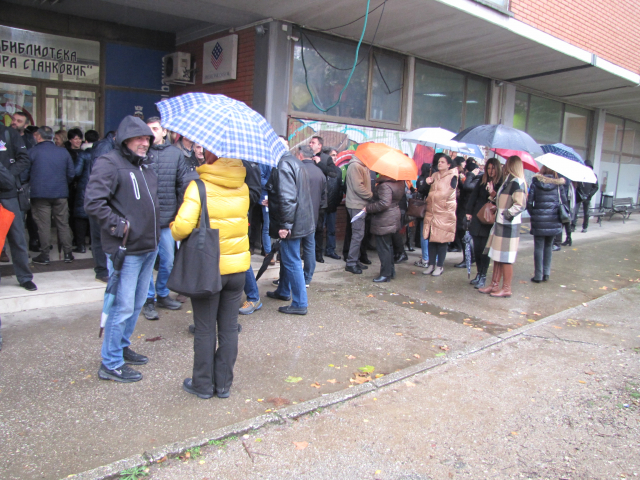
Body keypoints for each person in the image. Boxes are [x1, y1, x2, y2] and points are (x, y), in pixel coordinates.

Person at [85, 116, 159, 383]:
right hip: (126, 250)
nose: (144, 143)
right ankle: (111, 363)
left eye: (147, 138)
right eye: (139, 138)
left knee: (137, 303)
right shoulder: (109, 163)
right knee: (122, 306)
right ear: (124, 140)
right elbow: (93, 203)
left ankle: (121, 347)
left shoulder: (145, 166)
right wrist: (121, 227)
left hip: (148, 248)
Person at [171, 150, 250, 399]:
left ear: (209, 155)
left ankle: (203, 385)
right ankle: (223, 384)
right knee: (228, 328)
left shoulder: (199, 186)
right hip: (237, 269)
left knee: (205, 329)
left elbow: (182, 228)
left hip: (209, 269)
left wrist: (174, 228)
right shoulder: (243, 185)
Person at [141, 117, 197, 320]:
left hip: (167, 219)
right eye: (148, 129)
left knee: (168, 261)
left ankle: (162, 294)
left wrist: (183, 212)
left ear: (164, 131)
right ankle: (147, 299)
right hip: (146, 219)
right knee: (147, 262)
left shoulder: (175, 154)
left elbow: (182, 184)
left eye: (155, 129)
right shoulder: (140, 153)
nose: (151, 133)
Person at [265, 151, 315, 315]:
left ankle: (300, 303)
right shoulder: (294, 162)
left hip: (292, 223)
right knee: (288, 259)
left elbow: (288, 197)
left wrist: (285, 225)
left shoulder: (283, 165)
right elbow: (292, 193)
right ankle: (283, 291)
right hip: (300, 219)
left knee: (291, 260)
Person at [479, 156, 528, 298]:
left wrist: (506, 213)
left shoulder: (517, 182)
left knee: (505, 257)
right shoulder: (509, 180)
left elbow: (520, 204)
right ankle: (494, 284)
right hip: (502, 223)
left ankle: (506, 288)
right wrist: (495, 198)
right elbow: (505, 200)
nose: (504, 165)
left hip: (508, 225)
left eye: (507, 163)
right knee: (497, 255)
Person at [29, 126, 76, 265]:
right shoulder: (63, 152)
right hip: (60, 193)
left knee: (43, 225)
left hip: (40, 194)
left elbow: (24, 173)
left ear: (38, 136)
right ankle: (68, 253)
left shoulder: (32, 151)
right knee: (63, 224)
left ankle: (45, 255)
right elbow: (71, 174)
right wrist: (62, 183)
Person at [0, 122, 36, 291]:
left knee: (17, 237)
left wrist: (7, 176)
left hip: (9, 194)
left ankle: (24, 277)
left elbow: (24, 159)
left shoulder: (9, 134)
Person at [465, 158, 503, 289]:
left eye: (493, 168)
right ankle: (478, 273)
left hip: (490, 218)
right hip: (478, 216)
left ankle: (483, 275)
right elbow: (473, 196)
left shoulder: (501, 183)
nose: (491, 171)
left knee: (485, 249)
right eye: (489, 168)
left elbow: (501, 201)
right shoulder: (482, 180)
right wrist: (468, 212)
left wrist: (492, 193)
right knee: (477, 248)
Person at [527, 166, 567, 283]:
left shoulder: (536, 182)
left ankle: (538, 275)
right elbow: (564, 202)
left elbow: (529, 202)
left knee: (538, 247)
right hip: (554, 219)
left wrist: (534, 214)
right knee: (549, 246)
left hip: (539, 219)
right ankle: (547, 273)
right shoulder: (559, 185)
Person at [422, 153, 458, 277]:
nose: (440, 164)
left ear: (448, 165)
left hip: (444, 213)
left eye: (443, 162)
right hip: (432, 212)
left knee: (442, 241)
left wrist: (433, 195)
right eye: (439, 162)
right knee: (431, 239)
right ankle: (431, 264)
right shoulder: (434, 175)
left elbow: (446, 193)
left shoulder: (453, 176)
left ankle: (439, 265)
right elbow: (426, 192)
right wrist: (427, 183)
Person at [88, 131, 116, 283]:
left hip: (104, 197)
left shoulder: (107, 147)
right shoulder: (105, 148)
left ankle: (104, 268)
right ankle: (101, 270)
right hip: (101, 198)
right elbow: (100, 175)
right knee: (100, 236)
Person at [366, 175, 405, 282]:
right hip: (393, 215)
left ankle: (385, 274)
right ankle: (390, 271)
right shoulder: (399, 182)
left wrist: (368, 208)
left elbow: (384, 203)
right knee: (389, 246)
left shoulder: (385, 185)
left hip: (384, 218)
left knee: (383, 247)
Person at [299, 145, 327, 286]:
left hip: (298, 217)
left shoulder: (298, 170)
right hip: (313, 216)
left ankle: (291, 279)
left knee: (293, 248)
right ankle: (307, 278)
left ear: (301, 156)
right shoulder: (320, 173)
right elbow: (323, 199)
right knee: (310, 246)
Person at [344, 154, 373, 274]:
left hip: (359, 204)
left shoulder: (362, 165)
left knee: (359, 234)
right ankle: (351, 263)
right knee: (357, 234)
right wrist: (371, 195)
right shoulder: (356, 166)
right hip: (356, 205)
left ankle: (355, 260)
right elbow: (358, 187)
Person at [72, 130, 100, 254]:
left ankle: (81, 245)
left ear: (86, 141)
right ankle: (94, 245)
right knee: (95, 216)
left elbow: (76, 172)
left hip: (84, 187)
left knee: (80, 218)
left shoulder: (83, 154)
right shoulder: (103, 153)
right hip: (99, 188)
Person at [454, 158, 480, 268]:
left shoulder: (477, 179)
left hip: (468, 211)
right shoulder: (469, 178)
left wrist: (470, 175)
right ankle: (469, 257)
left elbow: (468, 187)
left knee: (465, 235)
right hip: (462, 209)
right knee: (462, 234)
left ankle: (469, 258)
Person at [323, 147, 343, 260]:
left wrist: (337, 202)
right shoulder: (322, 169)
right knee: (318, 230)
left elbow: (339, 188)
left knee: (331, 230)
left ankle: (330, 250)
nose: (335, 157)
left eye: (336, 155)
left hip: (333, 206)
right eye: (332, 155)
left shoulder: (338, 171)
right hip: (322, 206)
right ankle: (317, 251)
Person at [413, 163, 432, 268]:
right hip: (425, 209)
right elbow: (420, 190)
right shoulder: (426, 179)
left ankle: (426, 258)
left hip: (424, 209)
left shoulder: (421, 178)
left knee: (424, 234)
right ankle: (427, 258)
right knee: (425, 234)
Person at [573, 166, 599, 233]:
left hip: (587, 196)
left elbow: (596, 187)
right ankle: (573, 226)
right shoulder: (580, 174)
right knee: (575, 211)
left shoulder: (593, 175)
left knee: (586, 212)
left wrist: (590, 194)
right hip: (579, 195)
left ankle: (585, 227)